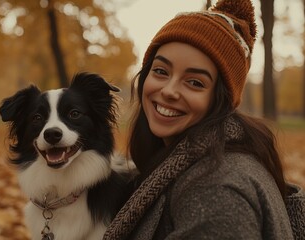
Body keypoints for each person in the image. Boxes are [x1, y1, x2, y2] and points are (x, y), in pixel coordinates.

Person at [103, 0, 305, 239]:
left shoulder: (215, 189)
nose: (169, 90)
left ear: (220, 100)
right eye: (161, 71)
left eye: (195, 82)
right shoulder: (192, 164)